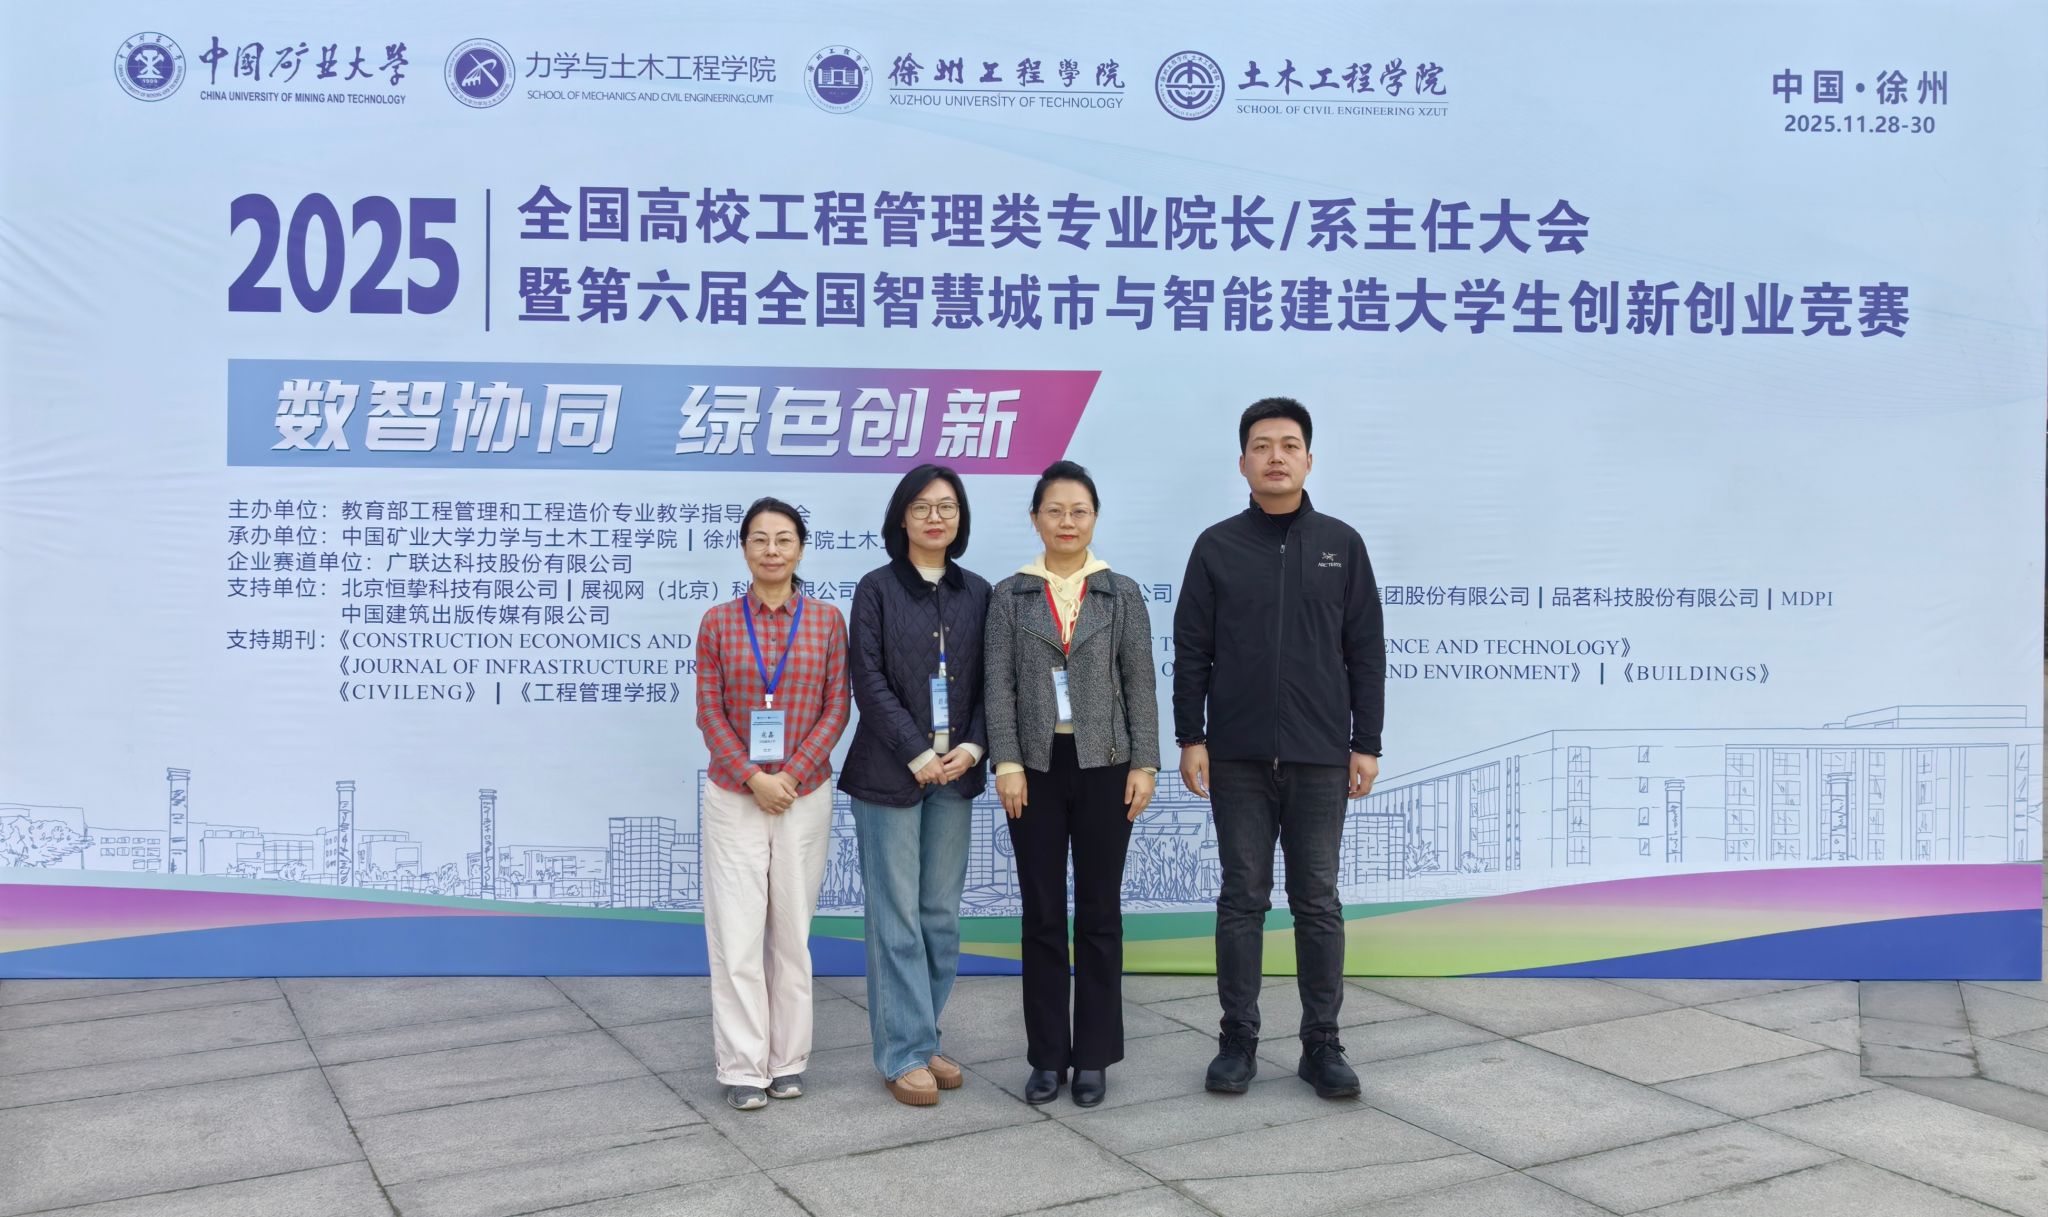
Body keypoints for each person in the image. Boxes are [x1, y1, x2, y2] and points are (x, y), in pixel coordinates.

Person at [1173, 398, 1386, 1100]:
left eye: (1289, 445)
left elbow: (1366, 651)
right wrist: (1191, 737)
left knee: (1317, 900)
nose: (1275, 456)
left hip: (1321, 755)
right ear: (1243, 462)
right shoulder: (1216, 546)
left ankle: (1321, 1043)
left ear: (1308, 460)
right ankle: (1237, 1040)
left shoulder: (1341, 544)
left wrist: (1366, 742)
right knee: (1242, 898)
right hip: (1235, 755)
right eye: (1262, 445)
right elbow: (1192, 650)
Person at [985, 460, 1159, 1108]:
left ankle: (1093, 1057)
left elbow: (1139, 682)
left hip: (1106, 765)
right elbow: (997, 685)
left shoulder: (1121, 593)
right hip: (1033, 768)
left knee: (1100, 912)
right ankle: (1046, 1056)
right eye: (1054, 510)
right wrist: (1005, 762)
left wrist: (1145, 763)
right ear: (1036, 518)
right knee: (1041, 914)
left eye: (1078, 510)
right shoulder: (1010, 595)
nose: (1067, 521)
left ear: (1094, 518)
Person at [839, 465, 992, 1106]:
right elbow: (867, 678)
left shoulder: (978, 592)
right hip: (888, 775)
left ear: (960, 519)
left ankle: (923, 1037)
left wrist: (972, 747)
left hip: (956, 775)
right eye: (923, 506)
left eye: (947, 506)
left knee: (939, 918)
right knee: (896, 919)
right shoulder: (876, 589)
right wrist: (915, 752)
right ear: (901, 516)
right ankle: (902, 1053)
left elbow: (994, 682)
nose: (936, 517)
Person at [694, 497, 851, 1111]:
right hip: (734, 796)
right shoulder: (717, 623)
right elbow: (709, 713)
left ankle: (786, 1062)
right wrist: (753, 777)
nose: (771, 550)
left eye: (783, 539)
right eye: (759, 539)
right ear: (744, 549)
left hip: (802, 795)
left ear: (800, 549)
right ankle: (742, 1066)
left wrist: (790, 774)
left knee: (791, 935)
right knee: (736, 935)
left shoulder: (827, 621)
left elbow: (836, 708)